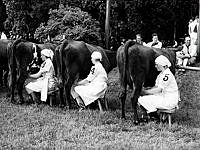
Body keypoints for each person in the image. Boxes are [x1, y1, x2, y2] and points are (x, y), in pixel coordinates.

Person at [138, 55, 179, 120]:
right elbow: (156, 87)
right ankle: (152, 115)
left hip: (169, 100)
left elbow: (159, 90)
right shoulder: (161, 74)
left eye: (157, 64)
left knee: (142, 99)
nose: (155, 66)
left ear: (163, 65)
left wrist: (145, 92)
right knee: (141, 98)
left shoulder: (167, 75)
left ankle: (154, 117)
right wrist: (147, 90)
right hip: (163, 97)